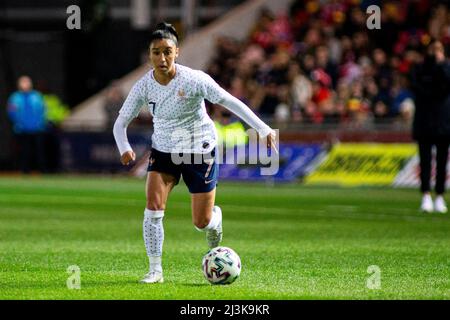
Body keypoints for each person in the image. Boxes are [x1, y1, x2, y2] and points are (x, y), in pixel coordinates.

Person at [113, 22, 277, 284]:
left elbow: (230, 101)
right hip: (164, 151)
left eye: (167, 51)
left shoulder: (194, 79)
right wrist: (125, 149)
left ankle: (215, 219)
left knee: (201, 222)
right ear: (150, 55)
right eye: (156, 52)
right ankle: (155, 270)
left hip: (198, 151)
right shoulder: (144, 86)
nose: (162, 58)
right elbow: (120, 123)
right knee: (153, 208)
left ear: (177, 52)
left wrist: (263, 128)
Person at [411, 40, 450, 213]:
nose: (436, 52)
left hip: (443, 123)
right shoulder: (420, 69)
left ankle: (440, 196)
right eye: (433, 49)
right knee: (425, 161)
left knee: (442, 162)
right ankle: (426, 195)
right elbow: (417, 88)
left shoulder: (446, 68)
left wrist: (442, 65)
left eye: (439, 49)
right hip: (424, 121)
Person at [7, 75, 47, 173]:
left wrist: (41, 123)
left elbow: (42, 110)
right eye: (23, 82)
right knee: (24, 151)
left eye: (27, 82)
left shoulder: (36, 96)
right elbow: (11, 112)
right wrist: (18, 123)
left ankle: (43, 170)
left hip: (37, 128)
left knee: (40, 151)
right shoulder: (15, 97)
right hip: (22, 129)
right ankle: (24, 170)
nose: (25, 85)